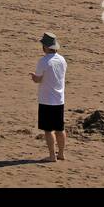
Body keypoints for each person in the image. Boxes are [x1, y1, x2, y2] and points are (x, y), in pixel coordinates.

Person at [31, 33, 67, 162]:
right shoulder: (62, 60)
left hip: (47, 100)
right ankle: (61, 153)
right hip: (59, 99)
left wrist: (34, 77)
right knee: (60, 128)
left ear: (45, 47)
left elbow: (38, 79)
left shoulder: (43, 61)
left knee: (48, 130)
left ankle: (52, 156)